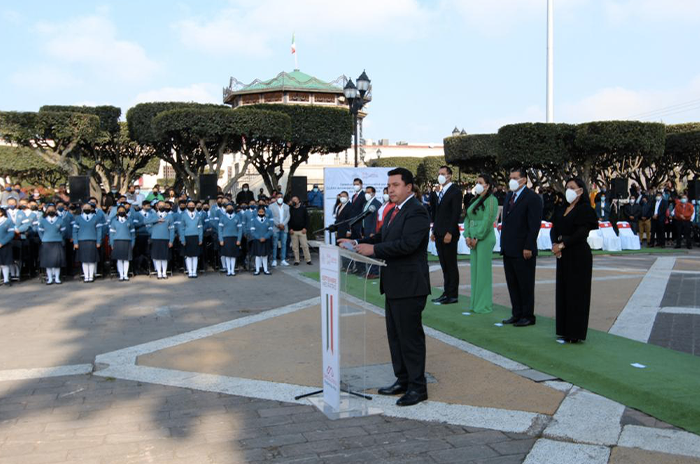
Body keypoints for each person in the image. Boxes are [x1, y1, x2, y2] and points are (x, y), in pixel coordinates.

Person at [341, 167, 431, 407]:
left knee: (410, 338)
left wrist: (375, 250)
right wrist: (357, 242)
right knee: (396, 336)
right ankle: (403, 380)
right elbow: (382, 238)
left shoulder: (417, 212)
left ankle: (417, 387)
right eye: (389, 185)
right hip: (393, 284)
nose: (390, 189)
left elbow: (407, 245)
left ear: (408, 187)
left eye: (395, 185)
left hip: (410, 285)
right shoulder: (394, 211)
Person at [550, 178, 599, 343]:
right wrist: (554, 244)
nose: (568, 190)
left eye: (572, 187)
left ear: (581, 190)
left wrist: (562, 244)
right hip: (563, 256)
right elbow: (554, 228)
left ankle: (575, 333)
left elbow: (581, 233)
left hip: (578, 255)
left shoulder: (585, 209)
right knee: (564, 291)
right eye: (567, 188)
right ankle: (564, 330)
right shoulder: (562, 208)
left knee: (577, 294)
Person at [500, 167, 543, 327]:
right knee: (513, 284)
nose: (511, 180)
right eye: (510, 177)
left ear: (524, 180)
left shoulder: (532, 198)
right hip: (509, 248)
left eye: (515, 177)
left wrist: (528, 246)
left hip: (523, 249)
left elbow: (534, 225)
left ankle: (527, 315)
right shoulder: (509, 196)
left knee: (525, 284)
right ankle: (516, 313)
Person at [463, 174, 499, 314]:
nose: (477, 184)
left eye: (480, 182)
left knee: (483, 273)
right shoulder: (474, 199)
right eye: (476, 182)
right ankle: (475, 303)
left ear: (487, 185)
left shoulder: (491, 200)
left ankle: (483, 305)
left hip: (484, 239)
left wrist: (477, 236)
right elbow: (467, 218)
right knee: (475, 272)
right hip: (473, 237)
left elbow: (488, 220)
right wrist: (467, 236)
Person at [430, 166, 462, 306]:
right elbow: (437, 214)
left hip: (449, 234)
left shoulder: (455, 191)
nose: (440, 176)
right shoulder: (441, 191)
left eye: (443, 174)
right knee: (444, 265)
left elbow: (455, 214)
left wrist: (450, 232)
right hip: (439, 232)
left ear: (449, 175)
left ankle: (452, 294)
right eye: (439, 174)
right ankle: (446, 292)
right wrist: (434, 231)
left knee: (450, 265)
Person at [72, 202, 103, 283]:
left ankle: (91, 276)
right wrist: (75, 242)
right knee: (84, 260)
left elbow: (99, 231)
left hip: (92, 241)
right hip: (81, 241)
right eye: (85, 207)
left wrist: (98, 241)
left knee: (92, 260)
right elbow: (74, 231)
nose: (86, 209)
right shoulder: (78, 218)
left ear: (91, 209)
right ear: (82, 209)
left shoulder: (96, 218)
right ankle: (86, 276)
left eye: (88, 207)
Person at [38, 203, 66, 285]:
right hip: (46, 243)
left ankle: (57, 278)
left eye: (53, 210)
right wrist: (43, 238)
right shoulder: (43, 221)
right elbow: (40, 231)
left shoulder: (60, 220)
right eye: (49, 210)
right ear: (46, 211)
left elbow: (63, 231)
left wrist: (59, 237)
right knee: (48, 262)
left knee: (57, 262)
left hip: (57, 242)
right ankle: (49, 278)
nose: (51, 211)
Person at [147, 200, 175, 279]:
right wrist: (156, 220)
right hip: (155, 238)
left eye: (163, 205)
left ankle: (164, 273)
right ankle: (159, 273)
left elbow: (172, 229)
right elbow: (145, 221)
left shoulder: (169, 216)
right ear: (157, 206)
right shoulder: (153, 215)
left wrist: (171, 240)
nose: (162, 207)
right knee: (157, 257)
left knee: (164, 257)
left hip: (166, 239)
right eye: (160, 205)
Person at [179, 200, 203, 278]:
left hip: (195, 237)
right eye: (190, 205)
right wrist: (182, 239)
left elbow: (200, 228)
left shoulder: (198, 215)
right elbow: (181, 228)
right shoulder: (183, 215)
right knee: (188, 256)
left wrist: (200, 238)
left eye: (193, 205)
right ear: (187, 206)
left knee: (195, 255)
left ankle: (194, 271)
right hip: (187, 237)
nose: (191, 206)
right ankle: (190, 272)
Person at [218, 202, 244, 276]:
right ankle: (228, 271)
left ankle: (232, 270)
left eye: (231, 207)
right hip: (225, 238)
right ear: (226, 209)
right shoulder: (222, 218)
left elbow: (240, 230)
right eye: (228, 208)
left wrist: (239, 239)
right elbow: (220, 230)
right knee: (227, 255)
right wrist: (221, 240)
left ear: (233, 208)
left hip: (234, 238)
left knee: (233, 255)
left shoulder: (237, 217)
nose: (229, 209)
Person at [248, 206, 274, 275]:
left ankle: (266, 270)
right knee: (258, 255)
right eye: (259, 212)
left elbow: (270, 231)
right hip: (257, 240)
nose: (261, 213)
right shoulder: (254, 220)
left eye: (262, 212)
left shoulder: (268, 220)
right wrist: (259, 237)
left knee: (265, 255)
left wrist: (265, 237)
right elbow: (252, 231)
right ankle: (257, 270)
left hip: (266, 240)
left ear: (264, 213)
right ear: (257, 213)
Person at [288, 195, 312, 266]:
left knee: (305, 246)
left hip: (302, 231)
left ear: (298, 201)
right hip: (293, 231)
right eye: (293, 200)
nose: (294, 201)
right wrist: (290, 229)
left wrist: (305, 228)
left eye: (295, 199)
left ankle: (308, 260)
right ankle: (296, 260)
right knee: (295, 247)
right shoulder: (290, 209)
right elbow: (289, 220)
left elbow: (307, 219)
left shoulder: (303, 209)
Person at [270, 193, 290, 267]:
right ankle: (274, 260)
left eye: (281, 197)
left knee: (284, 244)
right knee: (275, 244)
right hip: (276, 228)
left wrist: (283, 224)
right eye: (278, 197)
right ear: (275, 198)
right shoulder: (271, 206)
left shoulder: (286, 206)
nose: (280, 198)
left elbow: (288, 217)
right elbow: (271, 217)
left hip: (284, 228)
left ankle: (283, 260)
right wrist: (278, 224)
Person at [0, 208, 16, 286]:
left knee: (4, 263)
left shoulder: (8, 221)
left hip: (5, 245)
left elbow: (11, 234)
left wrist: (2, 243)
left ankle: (6, 279)